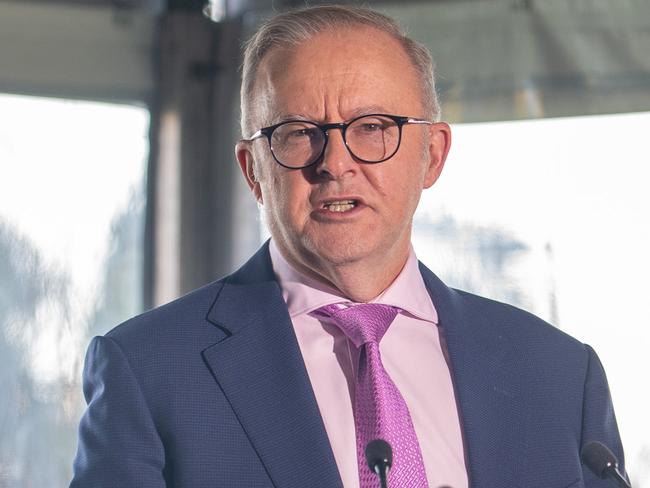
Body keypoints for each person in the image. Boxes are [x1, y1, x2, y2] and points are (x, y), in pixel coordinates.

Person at [70, 5, 626, 488]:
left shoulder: (557, 375)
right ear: (253, 170)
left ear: (432, 154)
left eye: (374, 127)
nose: (335, 164)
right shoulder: (148, 372)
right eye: (296, 132)